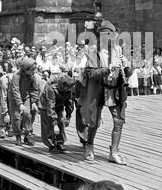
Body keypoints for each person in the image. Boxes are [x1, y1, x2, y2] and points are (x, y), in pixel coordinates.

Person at [80, 20, 132, 165]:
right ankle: (89, 146)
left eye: (114, 34)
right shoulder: (93, 51)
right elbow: (90, 73)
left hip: (115, 90)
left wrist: (127, 67)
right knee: (94, 122)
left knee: (118, 121)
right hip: (99, 90)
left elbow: (127, 72)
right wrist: (107, 69)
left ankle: (114, 152)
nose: (113, 37)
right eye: (109, 35)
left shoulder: (118, 50)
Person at [8, 58, 42, 146]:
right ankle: (18, 136)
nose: (33, 72)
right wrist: (20, 104)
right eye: (31, 70)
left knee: (28, 115)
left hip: (25, 96)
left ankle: (27, 136)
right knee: (16, 117)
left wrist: (34, 101)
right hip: (14, 98)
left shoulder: (32, 76)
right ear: (25, 69)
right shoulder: (17, 75)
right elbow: (15, 90)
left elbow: (34, 89)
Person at [39, 74, 75, 152]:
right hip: (46, 107)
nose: (71, 89)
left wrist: (68, 116)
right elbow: (50, 106)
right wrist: (55, 124)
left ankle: (60, 143)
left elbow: (69, 103)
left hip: (59, 106)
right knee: (48, 126)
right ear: (64, 86)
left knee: (61, 123)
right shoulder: (51, 88)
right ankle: (51, 145)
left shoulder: (69, 90)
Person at [0, 72, 14, 138]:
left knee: (12, 108)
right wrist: (6, 113)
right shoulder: (4, 82)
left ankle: (10, 126)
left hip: (10, 92)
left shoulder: (16, 80)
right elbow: (4, 98)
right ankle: (1, 128)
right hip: (0, 90)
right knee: (2, 109)